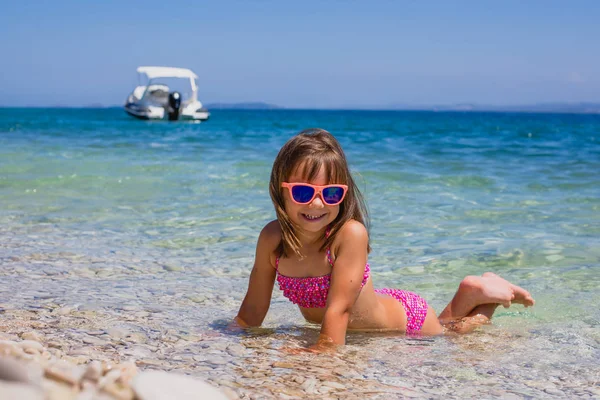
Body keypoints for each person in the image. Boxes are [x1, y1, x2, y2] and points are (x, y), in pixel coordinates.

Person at [234, 128, 535, 350]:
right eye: (303, 192)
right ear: (280, 190)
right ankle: (469, 293)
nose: (317, 204)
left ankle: (483, 300)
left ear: (343, 195)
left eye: (331, 193)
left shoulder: (348, 234)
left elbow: (339, 310)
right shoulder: (272, 238)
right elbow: (254, 308)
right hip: (373, 313)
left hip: (408, 322)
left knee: (457, 335)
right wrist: (229, 338)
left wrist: (323, 351)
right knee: (451, 326)